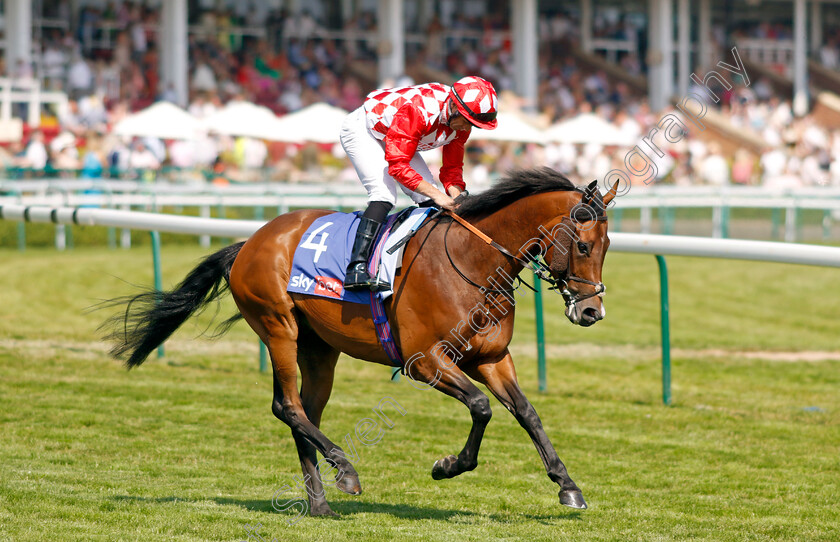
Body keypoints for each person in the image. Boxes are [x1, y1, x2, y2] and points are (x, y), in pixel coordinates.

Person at [339, 76, 498, 291]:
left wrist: (456, 196)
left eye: (472, 125)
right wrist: (438, 194)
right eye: (466, 121)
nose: (466, 128)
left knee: (428, 201)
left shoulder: (462, 120)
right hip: (364, 130)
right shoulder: (419, 110)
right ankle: (356, 268)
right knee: (384, 196)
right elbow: (397, 166)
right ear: (453, 105)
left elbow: (452, 170)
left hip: (398, 137)